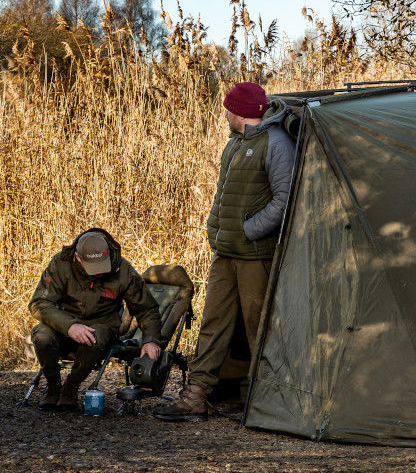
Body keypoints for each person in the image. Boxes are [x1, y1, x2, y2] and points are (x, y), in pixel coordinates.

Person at [153, 82, 294, 422]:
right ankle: (195, 397)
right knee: (212, 324)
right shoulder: (234, 145)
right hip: (225, 253)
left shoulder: (276, 144)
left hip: (254, 256)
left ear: (240, 111)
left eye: (229, 108)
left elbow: (284, 199)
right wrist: (215, 230)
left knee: (257, 327)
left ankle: (267, 401)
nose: (225, 114)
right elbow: (223, 195)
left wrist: (248, 231)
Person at [29, 229, 162, 411]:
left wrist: (150, 340)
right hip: (64, 326)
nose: (98, 273)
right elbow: (39, 303)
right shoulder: (61, 264)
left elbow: (147, 308)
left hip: (103, 329)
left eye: (102, 266)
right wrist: (70, 326)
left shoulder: (122, 269)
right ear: (77, 257)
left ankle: (71, 386)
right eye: (92, 267)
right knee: (41, 334)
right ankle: (52, 384)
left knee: (97, 334)